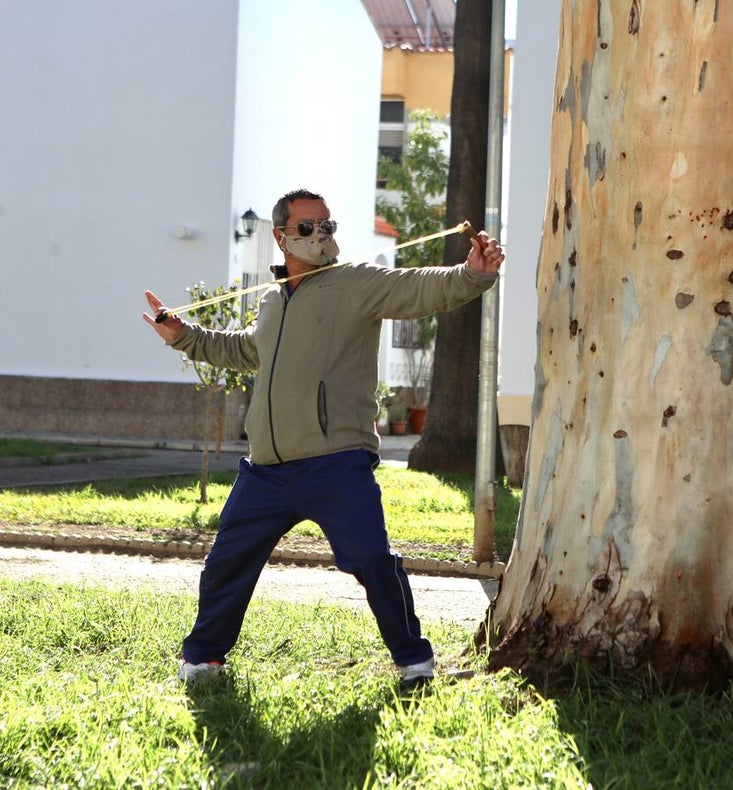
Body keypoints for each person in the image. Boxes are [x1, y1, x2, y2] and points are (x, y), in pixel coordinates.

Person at [142, 188, 504, 688]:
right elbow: (248, 351)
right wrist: (183, 335)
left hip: (337, 464)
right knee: (226, 563)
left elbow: (420, 288)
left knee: (373, 560)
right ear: (282, 237)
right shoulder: (272, 301)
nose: (321, 236)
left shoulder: (355, 283)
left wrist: (473, 274)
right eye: (308, 228)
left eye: (326, 226)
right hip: (266, 470)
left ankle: (415, 662)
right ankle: (203, 661)